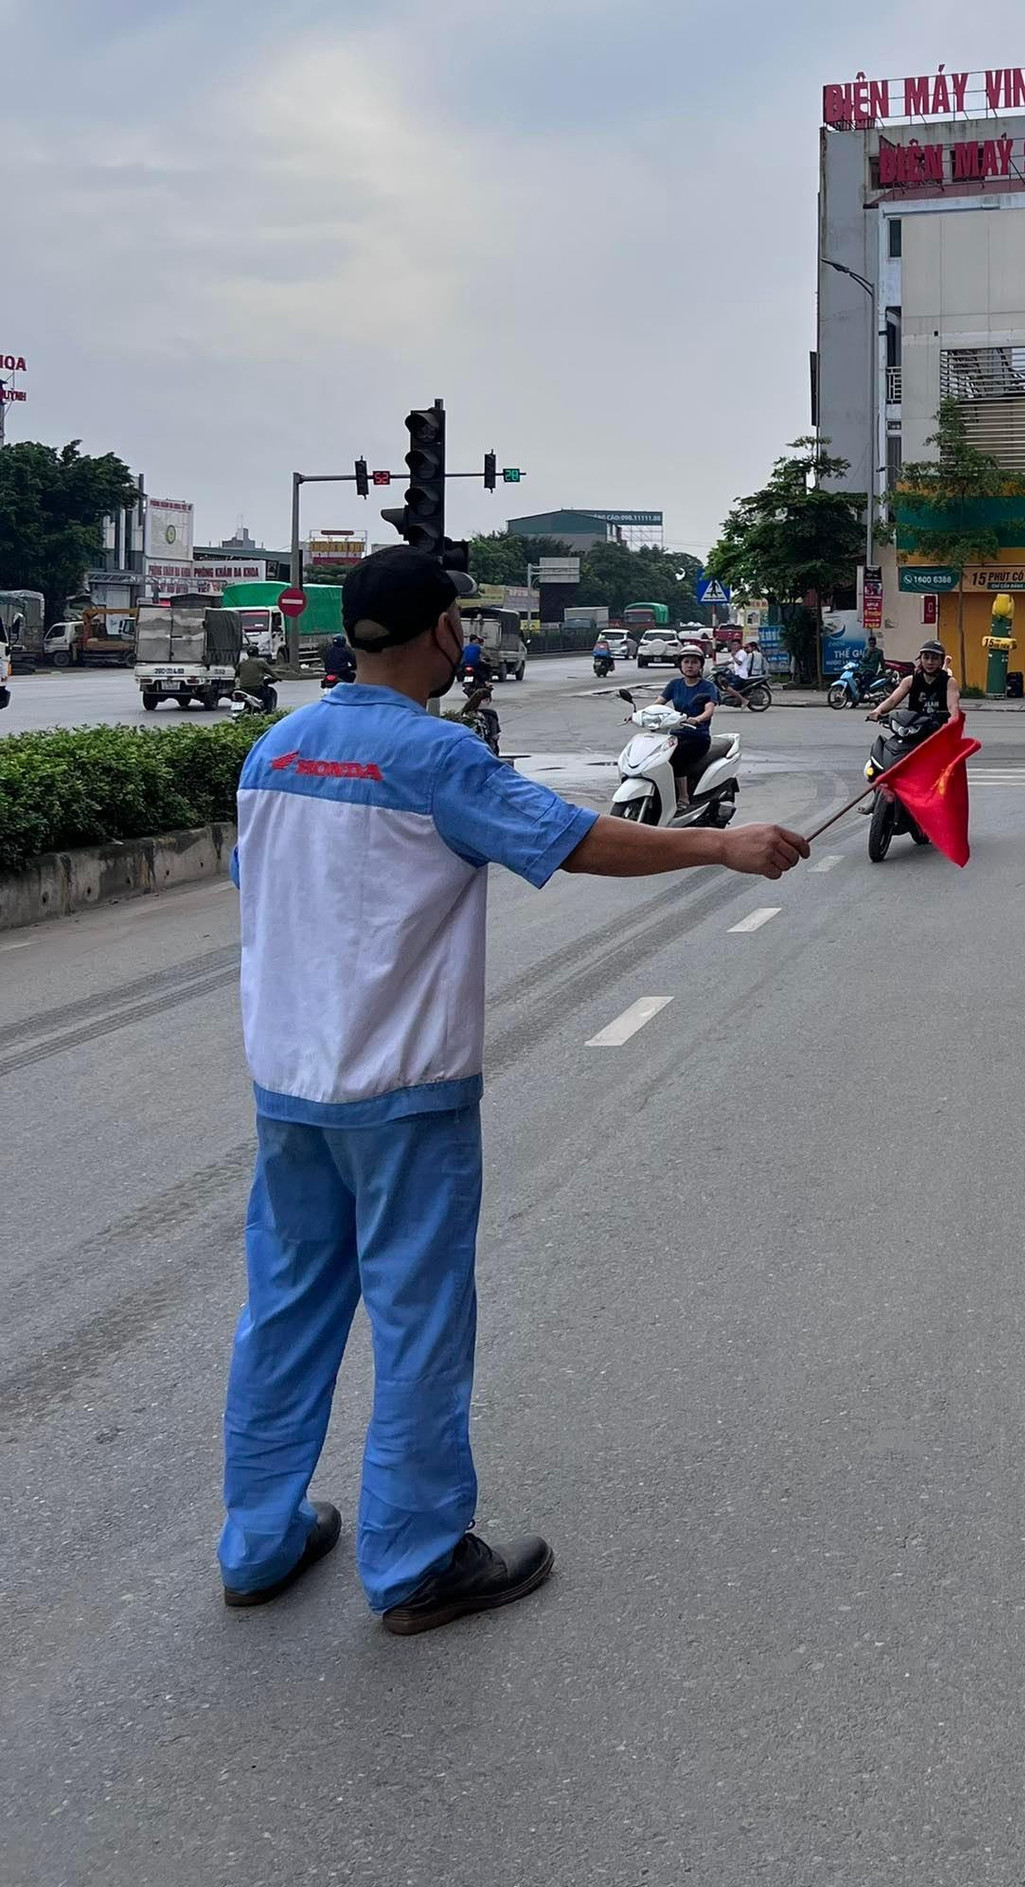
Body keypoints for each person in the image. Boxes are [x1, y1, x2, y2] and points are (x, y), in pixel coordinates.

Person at [219, 548, 807, 1636]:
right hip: (402, 1088)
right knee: (418, 1319)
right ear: (442, 630)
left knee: (288, 1310)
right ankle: (417, 1559)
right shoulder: (433, 753)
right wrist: (720, 843)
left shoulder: (274, 749)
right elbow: (570, 837)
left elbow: (261, 887)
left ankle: (256, 1541)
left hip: (289, 1087)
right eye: (460, 624)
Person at [661, 648, 719, 807]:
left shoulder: (707, 687)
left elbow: (709, 710)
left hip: (697, 737)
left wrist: (697, 719)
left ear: (700, 665)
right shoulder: (674, 684)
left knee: (677, 756)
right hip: (675, 734)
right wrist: (639, 715)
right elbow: (657, 704)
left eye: (694, 662)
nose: (690, 666)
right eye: (686, 662)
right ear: (680, 664)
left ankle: (683, 797)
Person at [868, 641, 961, 726]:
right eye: (926, 657)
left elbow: (952, 706)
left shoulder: (949, 682)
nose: (930, 662)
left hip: (940, 729)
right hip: (914, 728)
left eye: (935, 658)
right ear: (920, 659)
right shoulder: (910, 681)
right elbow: (892, 701)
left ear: (941, 661)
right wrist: (878, 710)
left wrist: (953, 719)